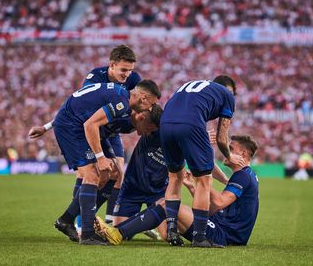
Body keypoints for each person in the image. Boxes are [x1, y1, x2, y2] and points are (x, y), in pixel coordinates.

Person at [28, 44, 141, 224]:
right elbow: (77, 104)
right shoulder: (95, 77)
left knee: (118, 173)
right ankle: (80, 223)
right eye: (123, 70)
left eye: (130, 70)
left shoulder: (134, 78)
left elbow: (136, 105)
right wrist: (47, 126)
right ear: (111, 65)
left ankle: (110, 223)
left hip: (111, 129)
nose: (127, 75)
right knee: (86, 174)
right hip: (90, 128)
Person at [95, 135, 259, 248]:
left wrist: (201, 179)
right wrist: (193, 186)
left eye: (230, 148)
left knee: (168, 205)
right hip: (220, 226)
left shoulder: (243, 176)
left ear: (242, 153)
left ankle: (117, 233)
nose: (225, 150)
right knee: (166, 224)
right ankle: (121, 230)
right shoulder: (245, 176)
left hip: (225, 235)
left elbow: (219, 202)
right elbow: (212, 210)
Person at [52, 79, 160, 245]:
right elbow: (90, 125)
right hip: (72, 126)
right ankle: (87, 233)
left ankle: (66, 219)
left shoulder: (127, 112)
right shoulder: (121, 103)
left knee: (116, 173)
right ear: (143, 99)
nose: (151, 108)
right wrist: (101, 157)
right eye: (151, 104)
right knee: (92, 173)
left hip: (87, 127)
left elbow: (100, 128)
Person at [159, 75, 246, 247]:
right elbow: (222, 138)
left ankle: (171, 230)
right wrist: (230, 156)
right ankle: (199, 237)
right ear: (230, 91)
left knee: (175, 177)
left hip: (166, 124)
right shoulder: (227, 96)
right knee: (204, 181)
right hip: (190, 125)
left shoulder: (193, 85)